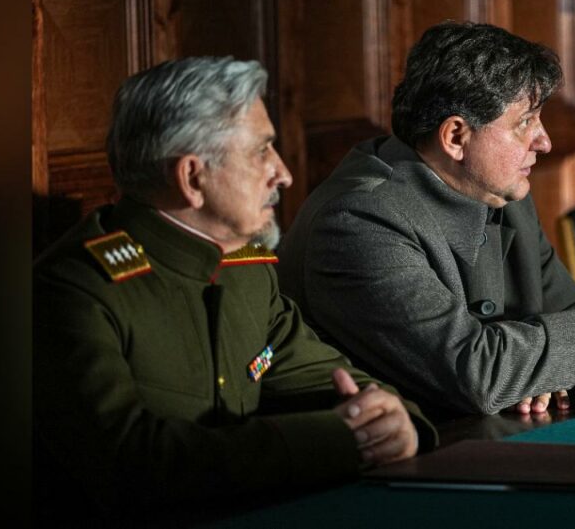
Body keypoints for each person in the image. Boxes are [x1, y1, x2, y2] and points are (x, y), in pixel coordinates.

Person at [33, 57, 435, 522]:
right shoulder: (74, 289)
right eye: (261, 151)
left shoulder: (246, 271)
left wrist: (395, 420)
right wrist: (342, 440)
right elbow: (130, 463)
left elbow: (329, 378)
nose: (283, 173)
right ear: (192, 177)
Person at [276, 21, 575, 417]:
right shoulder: (358, 222)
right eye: (525, 122)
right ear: (456, 137)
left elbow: (569, 320)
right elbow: (476, 373)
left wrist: (542, 366)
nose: (545, 142)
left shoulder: (503, 196)